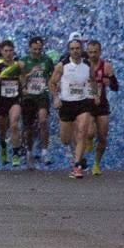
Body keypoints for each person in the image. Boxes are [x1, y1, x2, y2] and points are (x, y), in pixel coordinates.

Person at [49, 38, 94, 179]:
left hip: (82, 102)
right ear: (69, 51)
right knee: (65, 139)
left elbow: (92, 80)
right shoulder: (62, 66)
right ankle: (76, 156)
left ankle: (77, 165)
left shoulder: (87, 64)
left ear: (82, 50)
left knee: (82, 132)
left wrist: (95, 95)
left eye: (78, 48)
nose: (75, 51)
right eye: (72, 49)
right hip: (66, 104)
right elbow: (52, 83)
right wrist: (56, 98)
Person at [83, 39, 118, 176]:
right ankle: (89, 139)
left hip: (102, 104)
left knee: (103, 137)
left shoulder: (106, 66)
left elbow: (116, 87)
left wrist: (109, 80)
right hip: (87, 104)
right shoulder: (83, 66)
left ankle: (96, 164)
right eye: (90, 52)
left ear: (100, 52)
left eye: (95, 52)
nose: (92, 55)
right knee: (90, 132)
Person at [19, 37, 54, 170]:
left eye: (39, 49)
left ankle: (45, 152)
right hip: (28, 97)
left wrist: (53, 91)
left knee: (43, 120)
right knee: (28, 128)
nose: (37, 51)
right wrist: (29, 74)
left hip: (42, 96)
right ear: (29, 48)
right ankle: (28, 152)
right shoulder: (23, 61)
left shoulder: (47, 60)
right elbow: (20, 80)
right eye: (34, 49)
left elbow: (52, 77)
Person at [0, 40, 24, 167]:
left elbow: (24, 78)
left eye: (10, 51)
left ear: (14, 51)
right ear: (1, 52)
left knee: (14, 124)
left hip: (15, 99)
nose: (8, 54)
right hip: (1, 100)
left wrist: (23, 82)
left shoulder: (18, 65)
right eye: (6, 51)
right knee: (1, 129)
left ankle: (15, 154)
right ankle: (3, 147)